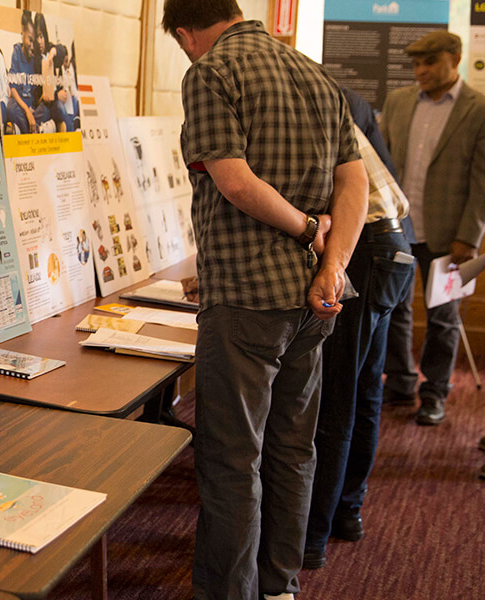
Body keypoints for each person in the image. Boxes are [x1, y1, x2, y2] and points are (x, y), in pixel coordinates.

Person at [164, 1, 367, 599]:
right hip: (312, 300)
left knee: (232, 460)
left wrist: (307, 228)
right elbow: (353, 181)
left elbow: (232, 179)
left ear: (185, 33)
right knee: (291, 448)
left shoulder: (211, 72)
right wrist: (331, 264)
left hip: (246, 298)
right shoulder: (316, 74)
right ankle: (278, 586)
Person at [303, 87, 416, 570]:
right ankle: (347, 512)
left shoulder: (307, 106)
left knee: (338, 398)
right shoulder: (342, 99)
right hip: (395, 244)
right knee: (366, 389)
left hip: (366, 246)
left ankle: (313, 536)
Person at [380, 31, 485, 426]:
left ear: (454, 59)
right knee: (394, 311)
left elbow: (483, 180)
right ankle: (401, 381)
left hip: (452, 238)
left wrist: (470, 237)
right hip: (398, 232)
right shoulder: (399, 102)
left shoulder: (479, 108)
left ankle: (435, 392)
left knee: (444, 318)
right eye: (416, 64)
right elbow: (385, 168)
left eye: (429, 62)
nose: (420, 71)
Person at [1, 10, 48, 134]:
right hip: (21, 106)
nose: (32, 45)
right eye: (30, 40)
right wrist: (27, 111)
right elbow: (13, 89)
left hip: (34, 108)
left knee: (48, 109)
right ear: (22, 33)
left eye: (35, 42)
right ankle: (32, 130)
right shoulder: (17, 53)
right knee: (11, 108)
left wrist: (34, 108)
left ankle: (29, 128)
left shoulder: (36, 58)